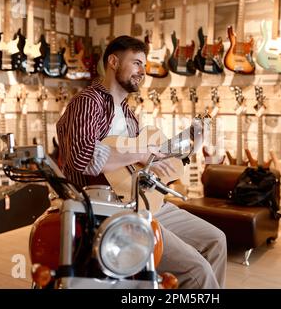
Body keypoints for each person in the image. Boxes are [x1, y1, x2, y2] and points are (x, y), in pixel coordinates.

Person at [56, 35, 227, 289]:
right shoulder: (88, 102)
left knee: (217, 240)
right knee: (197, 270)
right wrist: (141, 154)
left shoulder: (128, 115)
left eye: (143, 66)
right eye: (136, 63)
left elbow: (141, 163)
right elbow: (83, 158)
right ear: (113, 62)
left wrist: (191, 143)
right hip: (108, 211)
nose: (142, 72)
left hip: (143, 200)